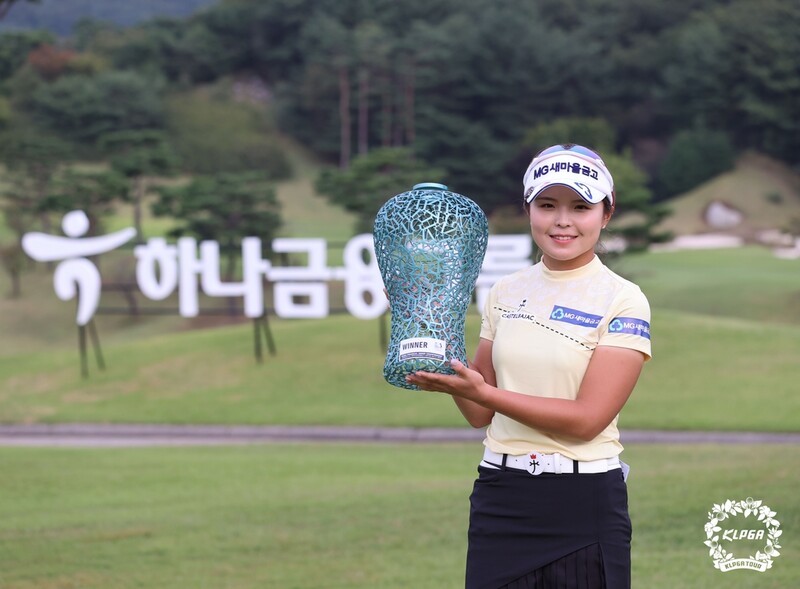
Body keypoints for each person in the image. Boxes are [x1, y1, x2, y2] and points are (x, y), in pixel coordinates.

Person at [406, 144, 652, 589]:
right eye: (547, 205)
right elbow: (479, 411)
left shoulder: (623, 298)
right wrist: (427, 322)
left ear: (606, 213)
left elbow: (586, 421)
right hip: (501, 496)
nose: (562, 220)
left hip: (584, 501)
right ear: (528, 209)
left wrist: (483, 393)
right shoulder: (505, 290)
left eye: (580, 206)